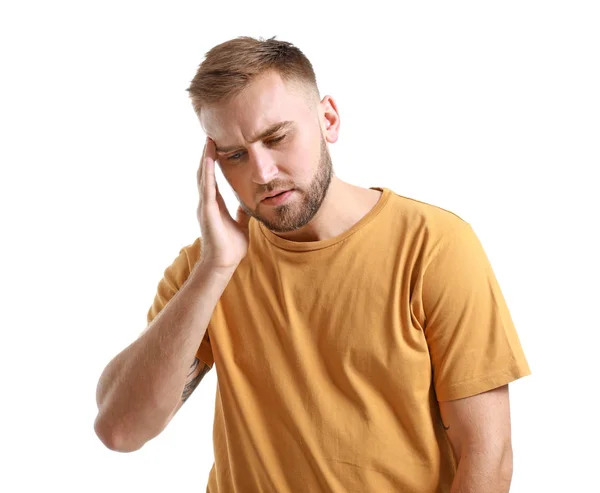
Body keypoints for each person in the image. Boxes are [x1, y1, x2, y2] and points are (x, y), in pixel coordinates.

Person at [94, 36, 531, 493]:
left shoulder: (433, 246)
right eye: (235, 155)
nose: (261, 173)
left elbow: (487, 457)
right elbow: (120, 430)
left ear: (328, 119)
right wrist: (214, 269)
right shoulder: (205, 271)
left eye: (276, 137)